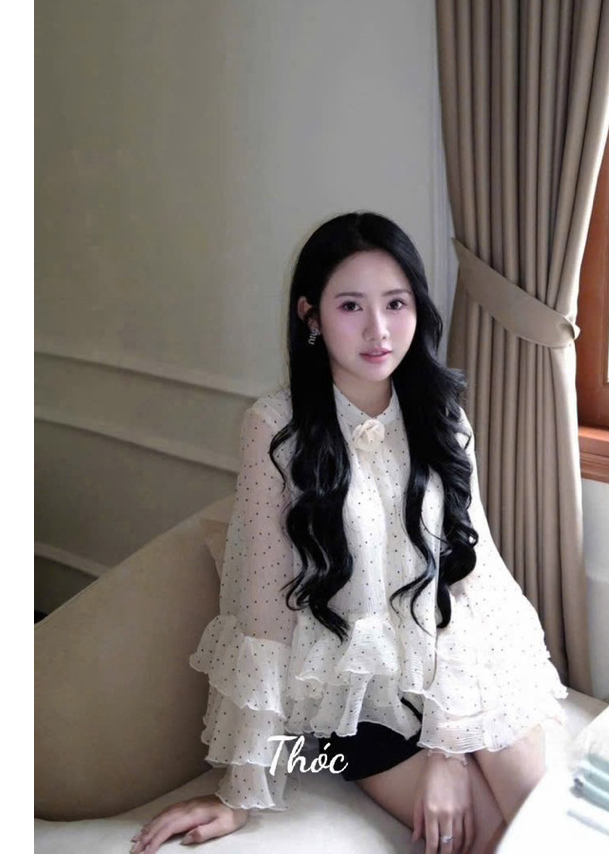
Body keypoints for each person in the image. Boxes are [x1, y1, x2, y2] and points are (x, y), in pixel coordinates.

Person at [131, 212, 567, 854]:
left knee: (547, 824)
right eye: (351, 306)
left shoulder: (443, 414)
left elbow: (472, 582)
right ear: (310, 315)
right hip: (360, 699)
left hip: (464, 664)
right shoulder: (275, 429)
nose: (378, 330)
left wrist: (449, 748)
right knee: (492, 839)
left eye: (396, 303)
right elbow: (264, 613)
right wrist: (239, 792)